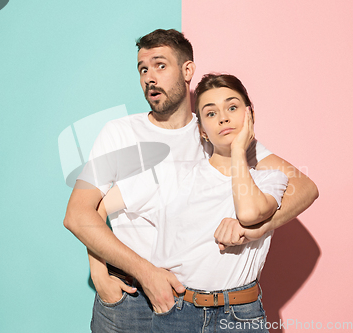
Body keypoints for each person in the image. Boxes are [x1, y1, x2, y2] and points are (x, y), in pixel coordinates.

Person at [63, 29, 318, 332]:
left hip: (190, 301)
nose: (149, 77)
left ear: (187, 70)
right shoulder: (120, 133)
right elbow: (80, 214)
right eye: (142, 69)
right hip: (129, 297)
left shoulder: (215, 129)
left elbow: (303, 186)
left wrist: (254, 228)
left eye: (160, 65)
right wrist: (107, 272)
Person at [99, 73, 288, 332]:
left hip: (241, 316)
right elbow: (98, 208)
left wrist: (237, 151)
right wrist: (99, 273)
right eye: (211, 114)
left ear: (249, 114)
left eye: (232, 107)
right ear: (201, 130)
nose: (223, 117)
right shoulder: (172, 173)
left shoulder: (270, 180)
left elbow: (248, 212)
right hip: (177, 312)